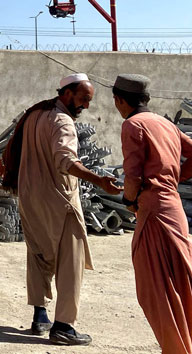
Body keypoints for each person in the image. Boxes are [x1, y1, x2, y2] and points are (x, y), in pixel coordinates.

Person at [17, 72, 122, 345]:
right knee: (70, 262)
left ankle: (40, 315)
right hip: (59, 200)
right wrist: (98, 179)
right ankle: (64, 325)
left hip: (30, 197)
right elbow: (65, 160)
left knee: (38, 254)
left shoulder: (35, 114)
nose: (86, 106)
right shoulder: (62, 121)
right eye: (83, 99)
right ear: (67, 94)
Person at [113, 74, 192, 354]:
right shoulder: (166, 124)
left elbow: (132, 178)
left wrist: (129, 200)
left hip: (153, 213)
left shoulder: (132, 125)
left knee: (156, 291)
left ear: (119, 100)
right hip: (174, 210)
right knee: (182, 283)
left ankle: (175, 348)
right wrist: (176, 179)